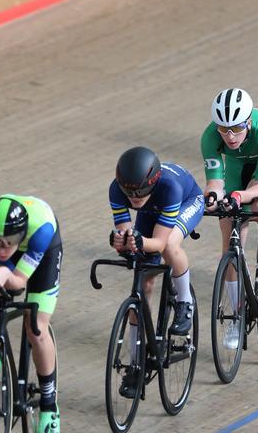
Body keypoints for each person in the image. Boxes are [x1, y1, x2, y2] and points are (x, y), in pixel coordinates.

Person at [201, 88, 258, 349]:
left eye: (237, 128)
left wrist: (238, 196)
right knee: (229, 235)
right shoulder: (210, 137)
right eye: (223, 129)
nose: (230, 136)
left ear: (249, 122)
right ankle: (237, 316)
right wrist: (212, 197)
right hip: (238, 167)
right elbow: (215, 181)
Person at [109, 146, 204, 396]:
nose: (134, 197)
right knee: (144, 284)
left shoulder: (169, 187)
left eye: (139, 190)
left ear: (151, 181)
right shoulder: (117, 189)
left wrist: (137, 242)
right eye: (129, 192)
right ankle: (136, 363)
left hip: (186, 201)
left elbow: (159, 244)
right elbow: (128, 235)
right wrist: (122, 242)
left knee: (171, 245)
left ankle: (184, 301)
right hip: (152, 212)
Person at [0, 195, 62, 433]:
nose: (1, 248)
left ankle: (49, 405)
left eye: (7, 242)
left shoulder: (41, 230)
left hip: (42, 248)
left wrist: (6, 273)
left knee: (36, 328)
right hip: (19, 244)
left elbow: (19, 282)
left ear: (19, 235)